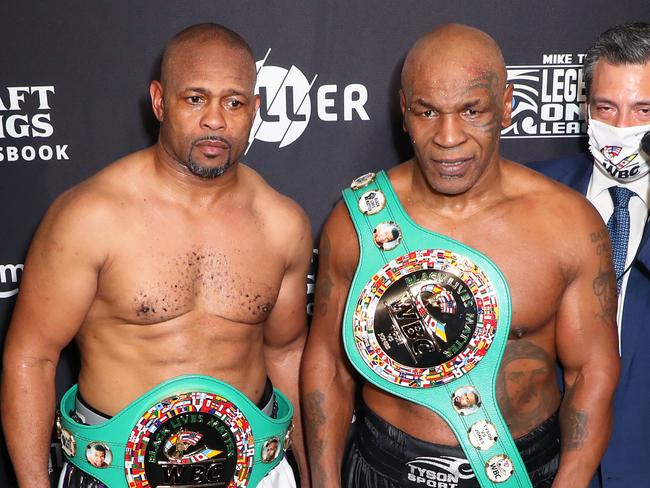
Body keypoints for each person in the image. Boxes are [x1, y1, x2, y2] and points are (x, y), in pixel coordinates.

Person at [302, 24, 620, 488]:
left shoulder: (568, 222)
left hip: (521, 469)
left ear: (507, 104)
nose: (448, 137)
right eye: (428, 112)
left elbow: (592, 372)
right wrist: (325, 482)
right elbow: (326, 364)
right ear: (404, 111)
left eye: (472, 110)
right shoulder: (355, 221)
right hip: (383, 468)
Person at [1, 23, 312, 488]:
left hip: (257, 472)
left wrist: (309, 473)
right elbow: (32, 358)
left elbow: (286, 353)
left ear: (255, 109)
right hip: (115, 474)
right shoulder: (90, 216)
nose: (215, 120)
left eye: (234, 102)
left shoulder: (282, 222)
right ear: (159, 100)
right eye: (195, 99)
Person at [528, 22, 650, 488]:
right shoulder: (531, 196)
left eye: (643, 110)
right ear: (584, 108)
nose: (622, 128)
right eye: (607, 108)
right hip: (544, 465)